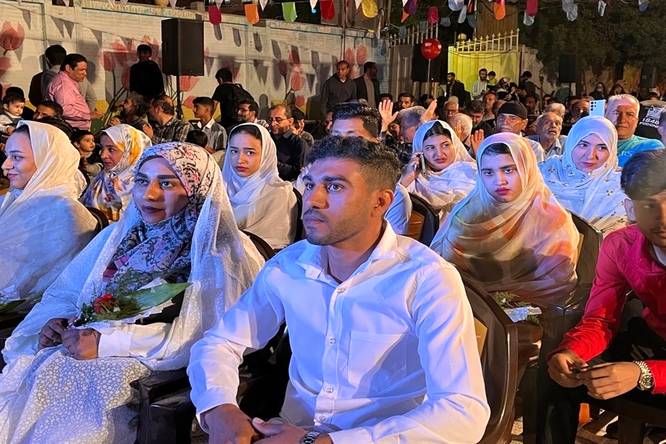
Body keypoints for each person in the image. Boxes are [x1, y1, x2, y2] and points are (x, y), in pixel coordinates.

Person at [188, 135, 490, 444]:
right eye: (309, 185)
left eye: (334, 187)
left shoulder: (426, 278)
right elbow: (220, 342)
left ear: (380, 202)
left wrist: (326, 442)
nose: (313, 200)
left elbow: (462, 409)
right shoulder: (289, 266)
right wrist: (219, 408)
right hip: (290, 429)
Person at [0, 142, 264, 443]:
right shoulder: (121, 236)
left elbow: (213, 335)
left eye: (167, 183)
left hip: (142, 371)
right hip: (73, 356)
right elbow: (70, 290)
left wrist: (109, 341)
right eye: (142, 180)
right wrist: (58, 322)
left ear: (197, 189)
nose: (148, 194)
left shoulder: (220, 251)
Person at [545, 150, 666, 443]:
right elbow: (600, 318)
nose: (662, 218)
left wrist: (643, 373)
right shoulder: (621, 245)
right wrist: (571, 352)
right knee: (563, 373)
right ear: (630, 209)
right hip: (655, 339)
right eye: (649, 205)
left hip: (654, 362)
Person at [431, 132, 579, 309]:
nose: (499, 181)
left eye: (509, 170)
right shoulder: (467, 213)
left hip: (529, 312)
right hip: (461, 304)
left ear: (526, 169)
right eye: (488, 172)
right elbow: (446, 272)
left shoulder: (553, 221)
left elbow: (555, 287)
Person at [0, 121, 96, 303]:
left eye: (17, 157)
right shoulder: (12, 199)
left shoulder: (68, 216)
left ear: (47, 161)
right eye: (7, 156)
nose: (5, 165)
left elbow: (49, 288)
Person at [328, 102, 412, 236]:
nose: (341, 145)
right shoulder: (317, 181)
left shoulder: (394, 195)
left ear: (375, 142)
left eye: (352, 138)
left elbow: (388, 246)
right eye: (336, 136)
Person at [540, 116, 627, 235]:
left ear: (611, 150)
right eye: (583, 145)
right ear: (571, 143)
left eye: (602, 148)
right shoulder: (545, 172)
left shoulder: (622, 186)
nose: (591, 156)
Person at [222, 123, 298, 249]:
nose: (240, 159)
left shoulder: (279, 194)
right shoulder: (219, 189)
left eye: (250, 153)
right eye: (234, 151)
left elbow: (275, 244)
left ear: (265, 155)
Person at [399, 120, 476, 218]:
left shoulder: (473, 173)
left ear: (455, 145)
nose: (439, 154)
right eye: (430, 148)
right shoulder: (413, 177)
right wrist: (408, 177)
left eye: (446, 145)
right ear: (420, 151)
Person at [81, 124, 151, 222]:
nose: (103, 155)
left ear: (130, 152)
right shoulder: (103, 177)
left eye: (111, 149)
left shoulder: (143, 190)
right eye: (102, 148)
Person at [605, 94, 664, 167]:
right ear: (605, 116)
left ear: (636, 121)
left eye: (629, 114)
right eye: (616, 113)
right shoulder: (592, 144)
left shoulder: (651, 147)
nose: (622, 120)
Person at [46, 53, 91, 130]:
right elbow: (65, 110)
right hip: (71, 129)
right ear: (68, 68)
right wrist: (88, 116)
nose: (85, 73)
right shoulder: (64, 85)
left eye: (85, 70)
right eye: (81, 70)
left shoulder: (68, 82)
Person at [269, 104, 306, 181]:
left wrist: (272, 163)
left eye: (278, 120)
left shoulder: (298, 143)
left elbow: (298, 173)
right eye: (270, 119)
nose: (273, 123)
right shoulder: (265, 139)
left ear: (290, 121)